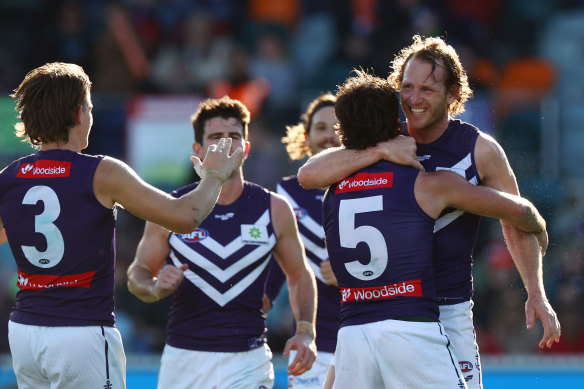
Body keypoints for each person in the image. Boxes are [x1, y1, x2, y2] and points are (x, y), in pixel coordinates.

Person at [298, 35, 561, 388]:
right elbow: (309, 173)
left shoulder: (478, 149)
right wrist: (377, 151)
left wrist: (535, 292)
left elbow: (513, 221)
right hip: (388, 313)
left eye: (427, 89)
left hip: (445, 308)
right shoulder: (382, 136)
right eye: (406, 87)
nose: (413, 99)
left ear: (453, 95)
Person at [0, 62, 242, 389]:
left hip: (25, 333)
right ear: (76, 114)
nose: (91, 116)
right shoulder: (102, 172)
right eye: (88, 107)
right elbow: (186, 217)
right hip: (81, 334)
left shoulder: (11, 177)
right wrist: (215, 176)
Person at [126, 96, 318, 389]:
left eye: (234, 137)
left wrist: (305, 330)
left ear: (247, 148)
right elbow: (138, 273)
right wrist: (155, 287)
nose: (227, 146)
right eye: (216, 138)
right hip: (184, 359)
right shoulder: (171, 207)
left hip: (248, 360)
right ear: (198, 150)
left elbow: (299, 274)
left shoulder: (275, 209)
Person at [263, 92, 341, 389]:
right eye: (321, 128)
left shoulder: (373, 185)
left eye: (337, 127)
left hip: (367, 333)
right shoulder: (285, 194)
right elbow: (272, 265)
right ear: (306, 136)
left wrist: (353, 271)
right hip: (312, 343)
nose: (329, 136)